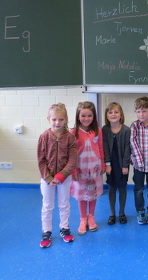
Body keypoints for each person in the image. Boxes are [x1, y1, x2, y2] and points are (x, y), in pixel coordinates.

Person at [37, 103, 77, 248]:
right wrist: (48, 178)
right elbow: (41, 160)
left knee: (64, 204)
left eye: (61, 119)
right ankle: (46, 231)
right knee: (47, 205)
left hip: (64, 178)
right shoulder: (44, 137)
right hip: (47, 178)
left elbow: (72, 160)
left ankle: (64, 228)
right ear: (49, 119)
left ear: (66, 119)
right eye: (54, 119)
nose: (57, 122)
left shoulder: (70, 138)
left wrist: (61, 175)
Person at [70, 101, 105, 235]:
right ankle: (83, 218)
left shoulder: (97, 131)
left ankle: (91, 217)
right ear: (78, 116)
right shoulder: (73, 132)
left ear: (94, 116)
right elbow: (72, 154)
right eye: (83, 115)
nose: (86, 118)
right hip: (80, 169)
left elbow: (100, 148)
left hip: (95, 168)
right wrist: (73, 170)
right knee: (82, 195)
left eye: (89, 115)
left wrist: (102, 164)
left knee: (92, 192)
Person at [102, 102, 131, 225]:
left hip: (122, 164)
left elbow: (127, 149)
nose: (113, 114)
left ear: (121, 115)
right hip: (110, 164)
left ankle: (122, 213)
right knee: (112, 188)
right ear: (107, 115)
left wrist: (125, 165)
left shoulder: (126, 130)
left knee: (122, 188)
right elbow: (105, 148)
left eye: (116, 112)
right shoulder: (104, 129)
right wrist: (107, 164)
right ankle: (112, 214)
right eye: (110, 112)